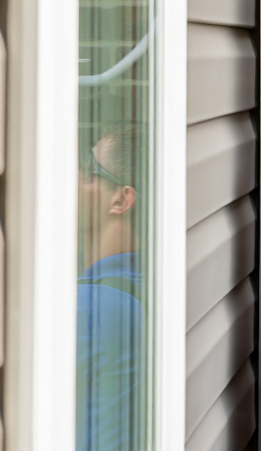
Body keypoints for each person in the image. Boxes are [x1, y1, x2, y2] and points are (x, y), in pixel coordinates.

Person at [77, 124, 146, 451]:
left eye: (89, 170)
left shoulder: (90, 305)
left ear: (120, 199)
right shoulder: (145, 289)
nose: (75, 176)